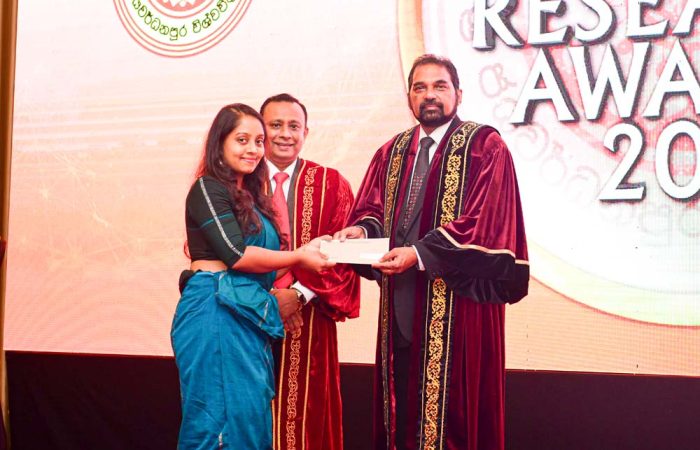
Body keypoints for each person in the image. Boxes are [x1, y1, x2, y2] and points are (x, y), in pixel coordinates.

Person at [334, 55, 529, 450]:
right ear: (409, 96)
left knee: (454, 420)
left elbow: (487, 222)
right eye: (420, 87)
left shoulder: (484, 146)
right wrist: (361, 231)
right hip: (401, 310)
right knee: (402, 413)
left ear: (459, 94)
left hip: (460, 315)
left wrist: (419, 254)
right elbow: (373, 212)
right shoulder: (391, 152)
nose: (430, 95)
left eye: (440, 86)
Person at [171, 103, 333, 450]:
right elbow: (237, 255)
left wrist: (314, 251)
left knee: (248, 419)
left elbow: (267, 266)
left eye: (259, 141)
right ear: (220, 143)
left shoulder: (252, 198)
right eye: (242, 140)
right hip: (214, 312)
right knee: (217, 424)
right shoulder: (207, 188)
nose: (253, 149)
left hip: (246, 313)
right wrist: (299, 256)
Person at [260, 93, 361, 450]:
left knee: (305, 418)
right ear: (261, 130)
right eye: (275, 125)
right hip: (246, 314)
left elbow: (344, 258)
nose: (285, 134)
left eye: (294, 126)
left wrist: (297, 295)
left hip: (310, 319)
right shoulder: (237, 182)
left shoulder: (331, 184)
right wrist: (269, 299)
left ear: (306, 132)